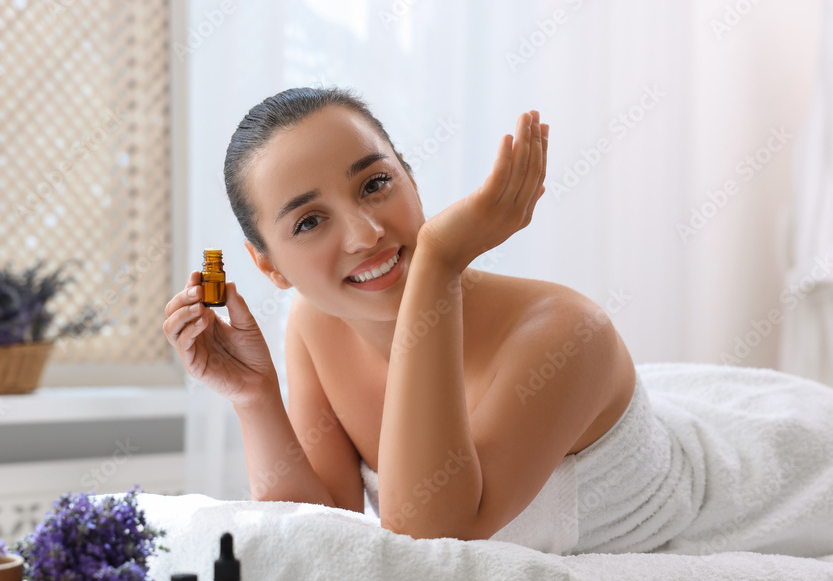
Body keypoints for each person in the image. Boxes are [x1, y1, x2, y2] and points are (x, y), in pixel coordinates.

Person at [163, 87, 833, 556]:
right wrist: (253, 397)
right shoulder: (312, 326)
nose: (366, 232)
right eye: (309, 221)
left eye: (375, 183)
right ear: (267, 265)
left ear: (412, 177)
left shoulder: (566, 330)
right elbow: (327, 528)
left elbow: (427, 535)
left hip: (775, 487)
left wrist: (440, 260)